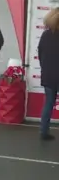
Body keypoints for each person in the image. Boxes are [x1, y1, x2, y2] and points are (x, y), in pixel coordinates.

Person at [38, 8, 59, 141]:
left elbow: (40, 55)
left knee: (48, 104)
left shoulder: (45, 35)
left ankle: (43, 131)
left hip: (48, 74)